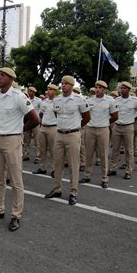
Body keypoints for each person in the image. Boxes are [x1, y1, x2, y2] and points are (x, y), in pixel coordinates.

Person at [0, 67, 40, 230]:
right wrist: (1, 129)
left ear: (11, 79)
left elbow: (35, 119)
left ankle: (16, 214)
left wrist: (18, 130)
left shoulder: (18, 96)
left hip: (13, 140)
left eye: (2, 76)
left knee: (16, 180)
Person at [45, 75, 90, 205]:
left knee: (73, 164)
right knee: (57, 163)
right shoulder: (57, 100)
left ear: (71, 85)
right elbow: (56, 114)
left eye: (66, 83)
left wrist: (76, 127)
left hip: (73, 134)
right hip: (59, 134)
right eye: (62, 83)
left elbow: (87, 117)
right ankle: (57, 188)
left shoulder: (79, 99)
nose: (63, 85)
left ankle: (73, 192)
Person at [79, 80, 118, 188]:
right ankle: (87, 175)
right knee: (89, 154)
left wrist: (105, 123)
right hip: (90, 129)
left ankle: (104, 178)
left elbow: (115, 116)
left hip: (103, 130)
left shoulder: (110, 101)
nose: (97, 89)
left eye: (100, 87)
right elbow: (85, 114)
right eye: (96, 87)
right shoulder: (89, 100)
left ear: (104, 89)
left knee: (103, 154)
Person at [108, 82, 137, 179]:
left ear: (129, 90)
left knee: (129, 150)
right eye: (121, 88)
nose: (122, 90)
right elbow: (112, 112)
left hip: (128, 127)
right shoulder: (116, 100)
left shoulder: (135, 100)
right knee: (115, 149)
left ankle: (128, 171)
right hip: (117, 126)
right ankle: (113, 168)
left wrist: (132, 120)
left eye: (124, 88)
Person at [33, 83, 58, 177]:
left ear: (55, 91)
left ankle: (54, 169)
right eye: (48, 89)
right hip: (43, 126)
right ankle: (42, 167)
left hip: (53, 127)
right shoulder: (44, 102)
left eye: (51, 89)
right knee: (42, 149)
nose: (48, 91)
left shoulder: (57, 102)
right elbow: (41, 113)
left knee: (53, 150)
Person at [22, 86, 42, 163]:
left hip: (35, 122)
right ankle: (26, 155)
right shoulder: (25, 100)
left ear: (34, 93)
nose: (29, 92)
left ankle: (38, 157)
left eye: (31, 91)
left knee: (37, 141)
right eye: (29, 91)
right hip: (27, 121)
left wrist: (38, 118)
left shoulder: (38, 100)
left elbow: (41, 110)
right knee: (26, 140)